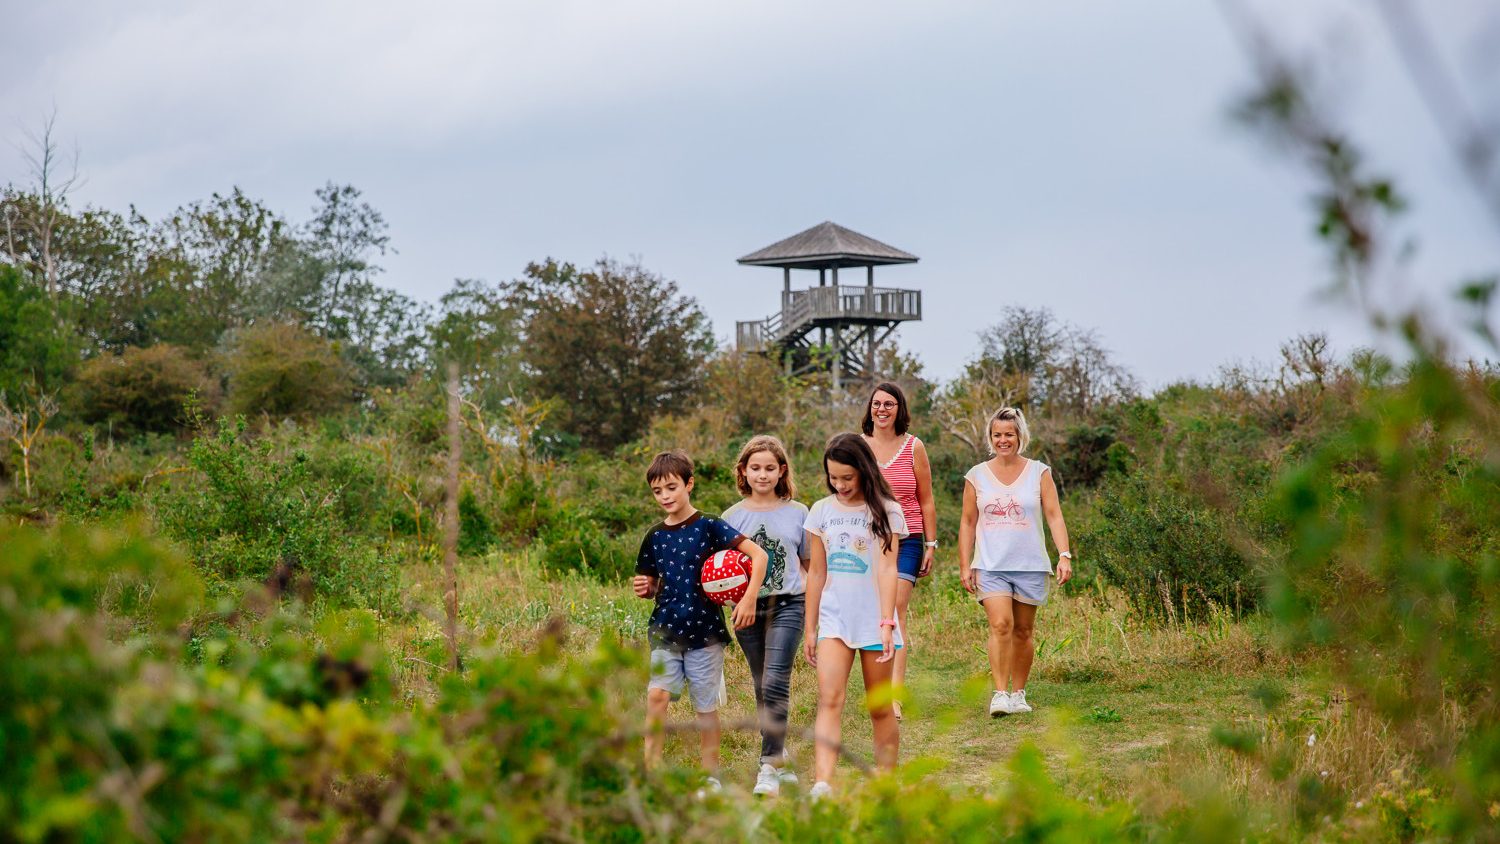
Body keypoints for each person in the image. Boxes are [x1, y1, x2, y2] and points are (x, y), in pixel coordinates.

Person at [632, 450, 769, 792]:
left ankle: (711, 775)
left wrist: (749, 595)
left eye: (671, 488)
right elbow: (649, 584)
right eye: (657, 491)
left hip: (705, 633)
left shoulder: (709, 526)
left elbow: (759, 555)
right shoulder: (655, 536)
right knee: (657, 696)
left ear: (689, 484)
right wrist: (645, 588)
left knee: (705, 708)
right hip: (665, 630)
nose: (665, 496)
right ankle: (651, 767)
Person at [803, 433, 906, 800]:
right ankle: (823, 783)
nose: (840, 485)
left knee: (880, 706)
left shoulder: (887, 511)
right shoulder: (821, 512)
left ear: (864, 471)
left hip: (874, 620)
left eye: (848, 477)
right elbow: (816, 573)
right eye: (834, 477)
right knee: (829, 699)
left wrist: (886, 622)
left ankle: (885, 782)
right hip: (834, 619)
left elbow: (888, 569)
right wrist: (810, 628)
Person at [958, 407, 1073, 717]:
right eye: (997, 435)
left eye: (1009, 434)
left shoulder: (1039, 472)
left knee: (1023, 631)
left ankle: (1019, 694)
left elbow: (1054, 515)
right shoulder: (977, 475)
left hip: (1030, 564)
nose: (1003, 440)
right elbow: (968, 522)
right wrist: (965, 564)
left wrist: (1064, 554)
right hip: (991, 564)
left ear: (1020, 436)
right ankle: (999, 694)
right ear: (990, 437)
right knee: (1001, 625)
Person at [722, 434, 809, 797]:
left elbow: (808, 565)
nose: (762, 475)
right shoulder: (731, 517)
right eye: (755, 468)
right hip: (747, 609)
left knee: (775, 681)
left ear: (781, 471)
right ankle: (781, 753)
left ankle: (767, 766)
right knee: (761, 685)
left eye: (769, 468)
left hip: (789, 603)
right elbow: (722, 571)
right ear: (743, 471)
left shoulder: (799, 513)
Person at [860, 382, 936, 721]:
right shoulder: (858, 446)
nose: (882, 409)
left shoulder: (914, 446)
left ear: (899, 408)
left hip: (908, 538)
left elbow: (926, 499)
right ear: (870, 408)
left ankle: (894, 697)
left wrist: (931, 544)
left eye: (889, 404)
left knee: (896, 612)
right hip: (867, 539)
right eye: (877, 404)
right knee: (874, 612)